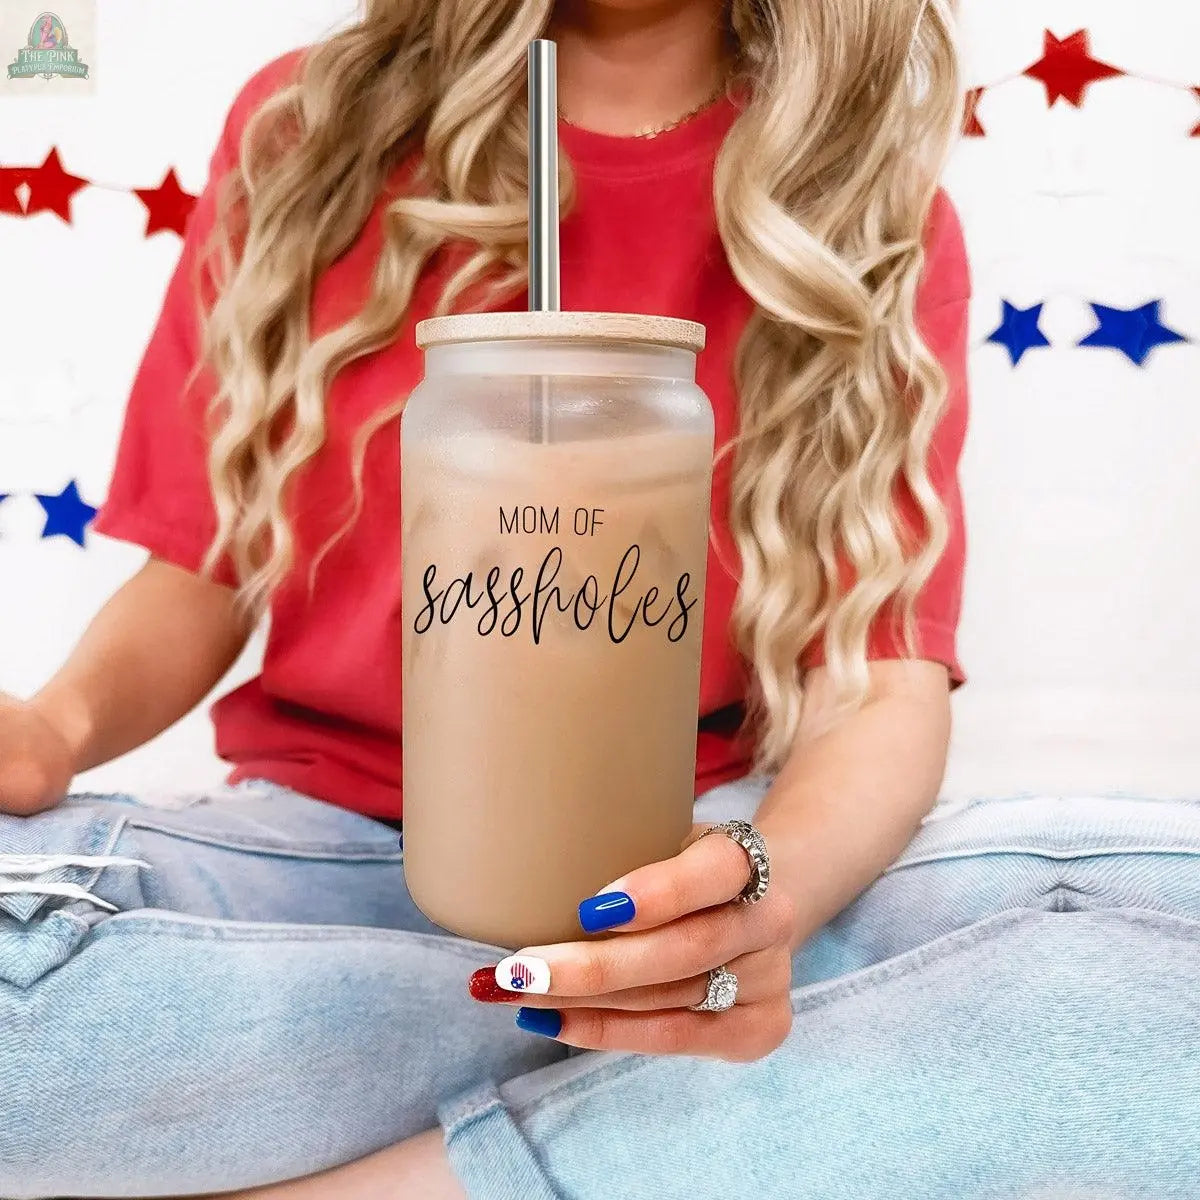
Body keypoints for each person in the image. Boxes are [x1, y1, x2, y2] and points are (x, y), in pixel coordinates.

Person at [0, 0, 969, 1195]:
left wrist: (758, 908)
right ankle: (614, 1106)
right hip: (320, 855)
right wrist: (58, 727)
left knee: (1122, 931)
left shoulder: (858, 213)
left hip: (670, 857)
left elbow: (878, 682)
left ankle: (376, 1151)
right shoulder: (314, 131)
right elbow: (200, 571)